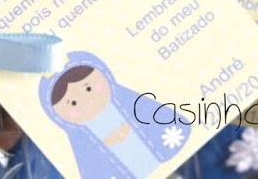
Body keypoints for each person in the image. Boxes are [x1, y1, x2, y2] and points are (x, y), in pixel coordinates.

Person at [40, 53, 181, 178]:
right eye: (73, 102)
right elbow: (91, 164)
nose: (87, 100)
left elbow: (156, 119)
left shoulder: (127, 103)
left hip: (158, 159)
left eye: (88, 88)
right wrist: (108, 142)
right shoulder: (82, 138)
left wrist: (133, 125)